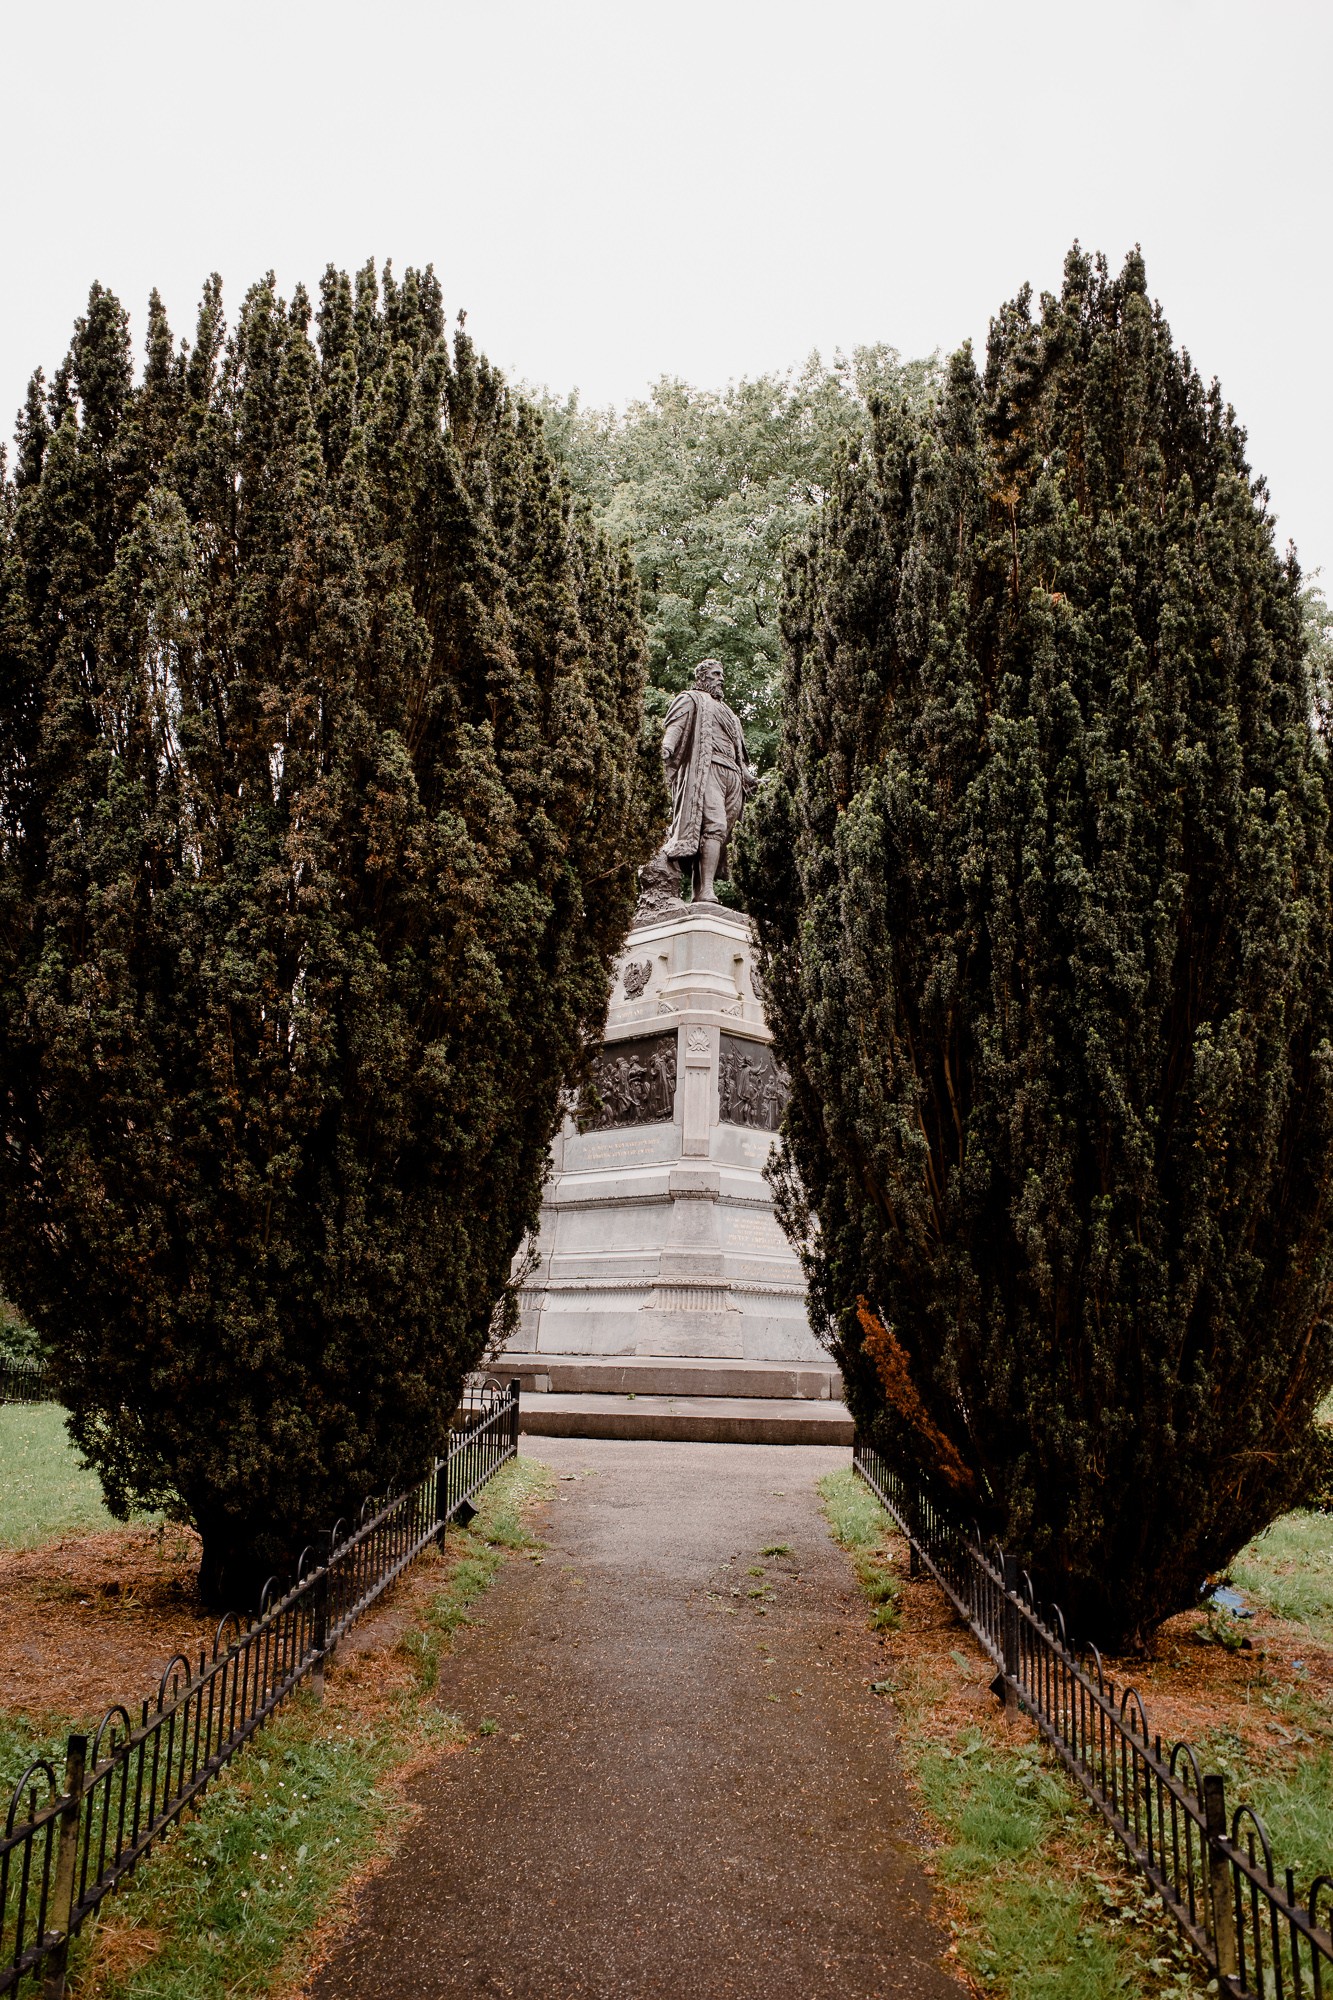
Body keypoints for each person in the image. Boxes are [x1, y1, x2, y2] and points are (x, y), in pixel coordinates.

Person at [651, 660, 757, 904]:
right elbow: (675, 727)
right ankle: (706, 890)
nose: (721, 679)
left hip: (732, 777)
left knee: (721, 834)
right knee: (714, 825)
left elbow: (738, 751)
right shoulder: (691, 698)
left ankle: (701, 892)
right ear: (702, 677)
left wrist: (749, 778)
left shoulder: (730, 714)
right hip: (706, 768)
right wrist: (666, 748)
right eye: (716, 674)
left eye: (722, 674)